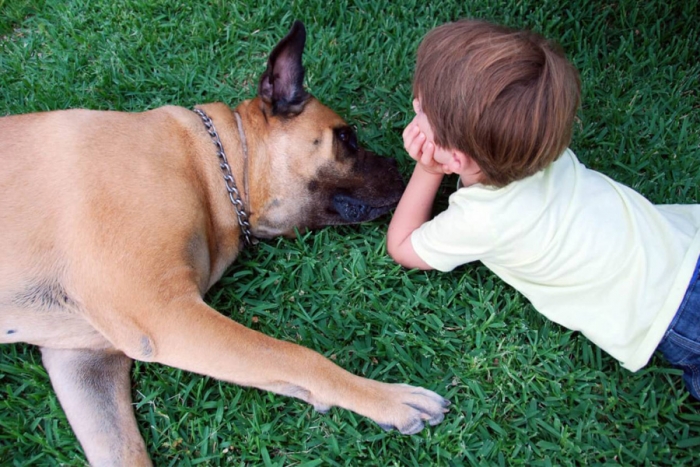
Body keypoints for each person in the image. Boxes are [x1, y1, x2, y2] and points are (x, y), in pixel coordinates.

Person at [386, 19, 700, 399]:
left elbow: (401, 245)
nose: (413, 106)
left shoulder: (484, 219)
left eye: (420, 109)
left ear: (454, 157)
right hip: (687, 245)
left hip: (677, 315)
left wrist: (426, 168)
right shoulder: (544, 151)